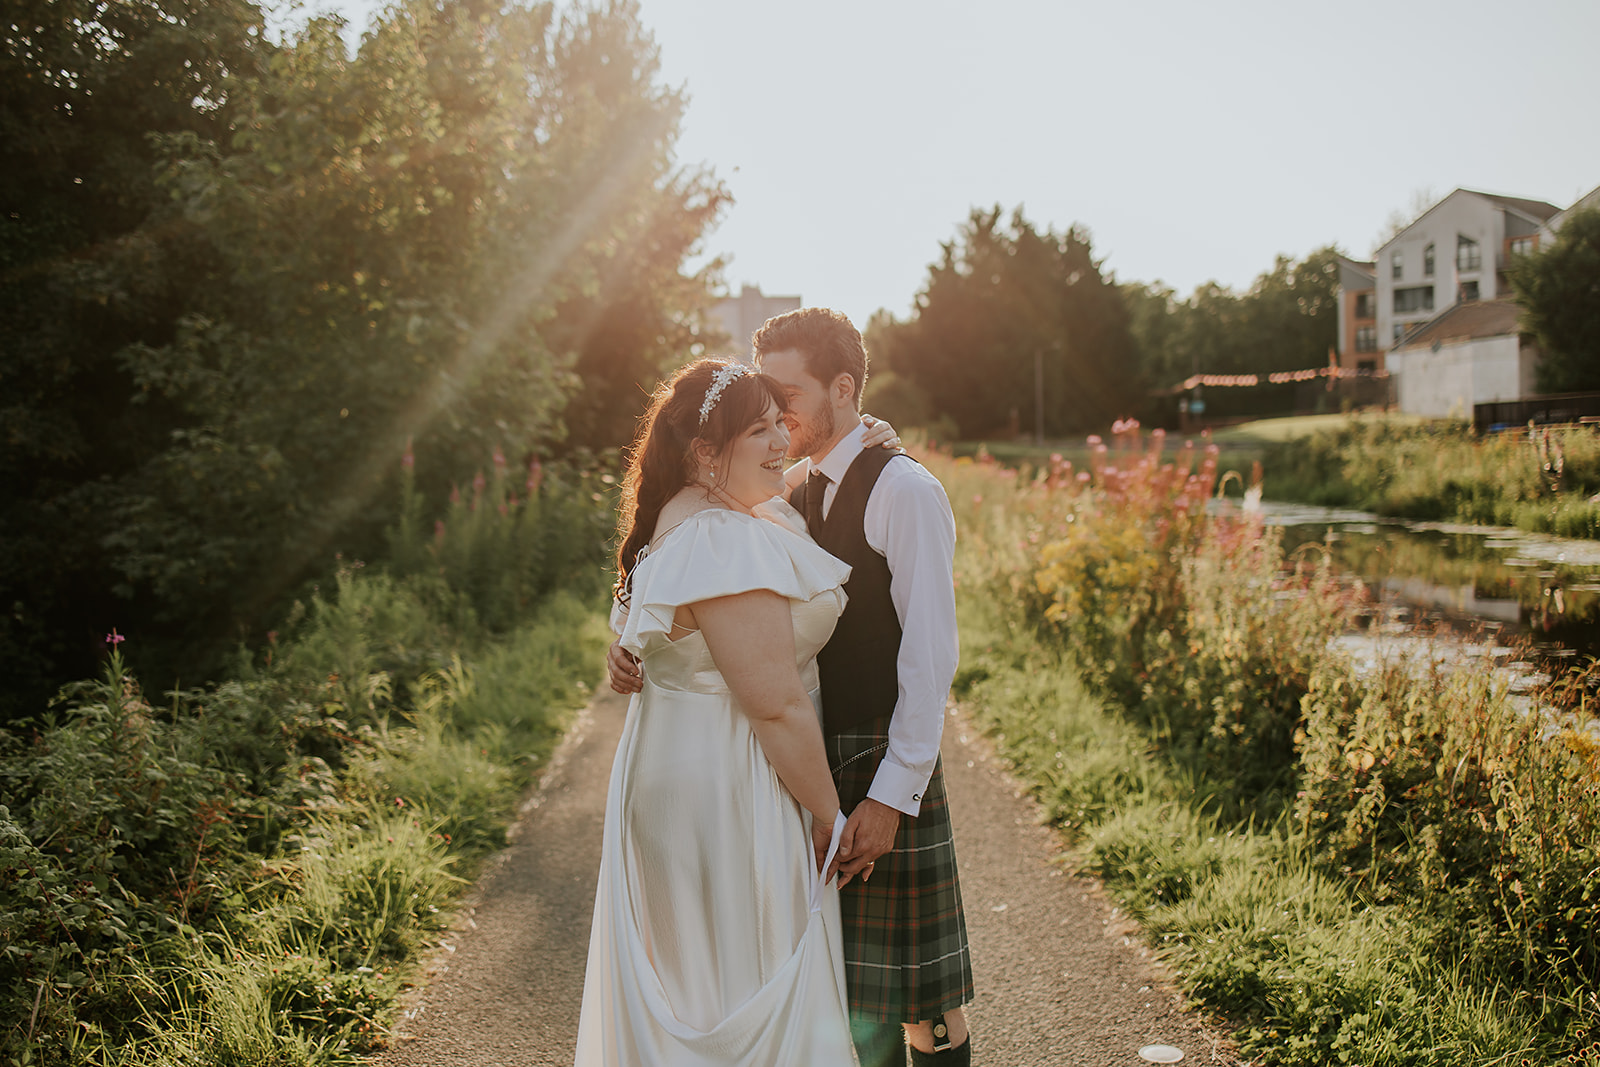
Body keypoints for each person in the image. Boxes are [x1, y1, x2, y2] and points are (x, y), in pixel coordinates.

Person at [610, 310, 975, 1067]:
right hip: (786, 772)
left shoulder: (901, 488)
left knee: (919, 1006)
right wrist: (631, 646)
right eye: (765, 407)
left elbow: (930, 660)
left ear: (843, 388)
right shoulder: (774, 487)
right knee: (830, 1001)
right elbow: (678, 583)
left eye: (789, 397)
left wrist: (889, 794)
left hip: (869, 764)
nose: (780, 420)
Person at [575, 359, 859, 1066]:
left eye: (779, 423)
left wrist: (859, 433)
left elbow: (652, 629)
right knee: (742, 983)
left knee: (699, 985)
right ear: (705, 452)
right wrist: (830, 814)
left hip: (672, 772)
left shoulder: (687, 516)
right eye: (758, 429)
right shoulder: (721, 540)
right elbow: (776, 706)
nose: (781, 441)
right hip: (726, 785)